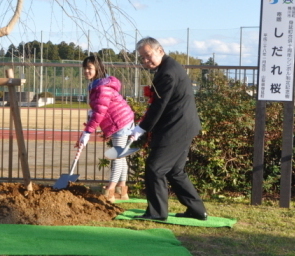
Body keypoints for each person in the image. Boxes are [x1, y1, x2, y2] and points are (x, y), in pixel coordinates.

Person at [130, 37, 208, 221]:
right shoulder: (169, 67)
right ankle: (197, 210)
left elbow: (159, 105)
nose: (145, 60)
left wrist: (141, 128)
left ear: (160, 50)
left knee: (155, 168)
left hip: (176, 127)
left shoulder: (167, 73)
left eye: (148, 55)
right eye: (142, 58)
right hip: (183, 125)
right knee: (175, 171)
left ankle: (157, 213)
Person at [76, 54, 135, 201]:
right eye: (85, 68)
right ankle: (122, 190)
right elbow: (99, 108)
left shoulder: (102, 87)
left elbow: (100, 111)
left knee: (117, 156)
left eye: (89, 68)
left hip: (119, 122)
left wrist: (88, 131)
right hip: (121, 120)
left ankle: (110, 191)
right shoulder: (97, 85)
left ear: (98, 68)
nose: (86, 71)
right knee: (121, 156)